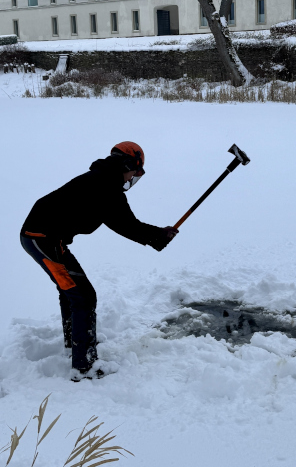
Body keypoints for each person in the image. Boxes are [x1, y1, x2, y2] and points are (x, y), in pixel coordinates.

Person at [20, 141, 178, 381]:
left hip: (45, 238)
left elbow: (122, 222)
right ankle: (84, 366)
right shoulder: (106, 185)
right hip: (41, 239)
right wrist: (159, 236)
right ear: (127, 164)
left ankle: (77, 342)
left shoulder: (103, 179)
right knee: (83, 296)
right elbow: (126, 225)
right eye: (134, 172)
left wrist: (157, 236)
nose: (132, 178)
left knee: (73, 291)